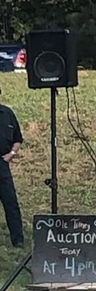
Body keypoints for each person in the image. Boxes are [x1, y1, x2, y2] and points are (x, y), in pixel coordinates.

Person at [0, 85, 24, 248]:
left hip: (2, 164)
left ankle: (18, 239)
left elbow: (18, 139)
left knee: (11, 203)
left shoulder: (7, 114)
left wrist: (11, 154)